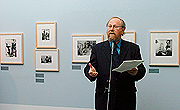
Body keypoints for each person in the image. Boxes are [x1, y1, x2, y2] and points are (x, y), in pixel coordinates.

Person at [84, 17, 146, 110]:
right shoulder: (98, 49)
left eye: (115, 27)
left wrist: (136, 72)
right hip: (104, 97)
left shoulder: (133, 48)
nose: (111, 29)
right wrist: (91, 73)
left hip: (126, 98)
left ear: (122, 30)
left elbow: (142, 70)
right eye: (109, 26)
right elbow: (89, 68)